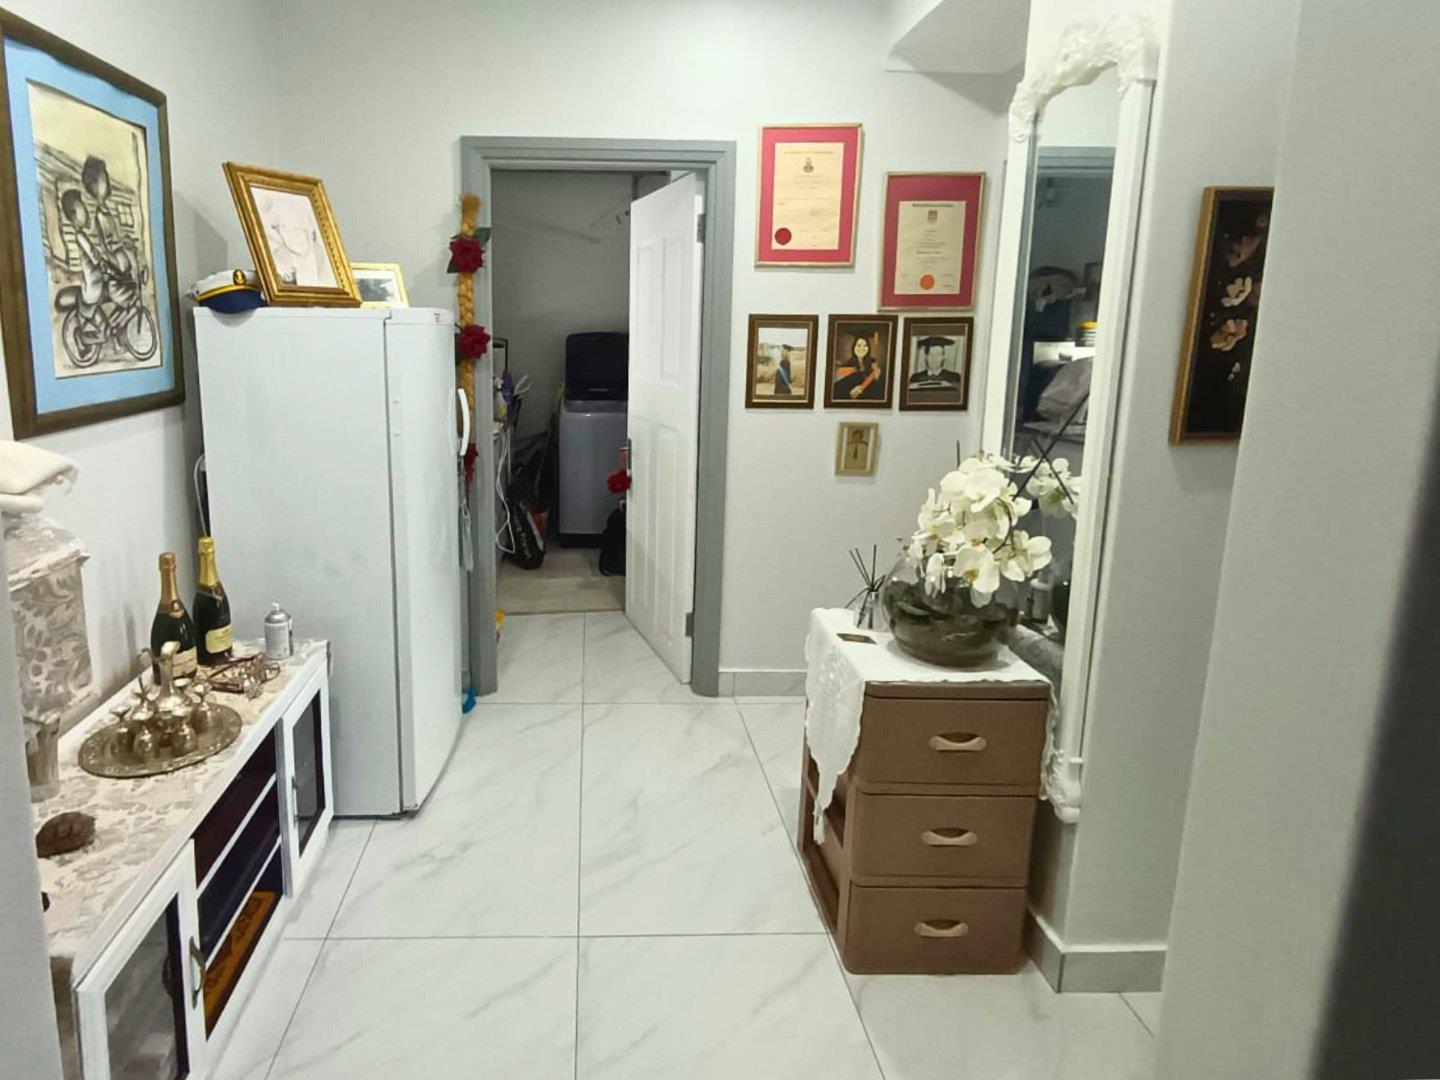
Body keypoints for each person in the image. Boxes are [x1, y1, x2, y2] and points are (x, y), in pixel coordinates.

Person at [832, 332, 884, 400]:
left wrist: (877, 378)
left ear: (868, 348)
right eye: (859, 345)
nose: (862, 348)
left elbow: (880, 390)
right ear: (854, 347)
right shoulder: (847, 365)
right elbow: (837, 390)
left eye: (865, 345)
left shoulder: (873, 364)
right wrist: (850, 393)